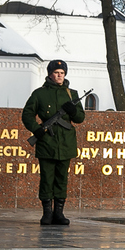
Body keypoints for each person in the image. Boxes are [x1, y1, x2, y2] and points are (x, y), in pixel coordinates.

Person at [21, 59, 86, 226]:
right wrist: (36, 129)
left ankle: (59, 213)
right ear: (50, 74)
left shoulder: (72, 94)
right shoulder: (39, 94)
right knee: (47, 178)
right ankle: (47, 213)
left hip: (66, 143)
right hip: (47, 142)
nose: (59, 76)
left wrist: (73, 111)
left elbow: (80, 118)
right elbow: (27, 114)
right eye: (57, 73)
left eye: (62, 73)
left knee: (61, 179)